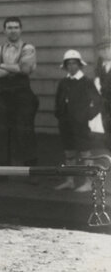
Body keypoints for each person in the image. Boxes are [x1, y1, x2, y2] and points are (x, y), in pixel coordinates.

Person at [0, 17, 38, 171]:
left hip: (22, 95)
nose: (13, 30)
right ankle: (2, 172)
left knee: (25, 132)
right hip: (2, 96)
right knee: (0, 132)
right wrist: (14, 67)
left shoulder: (28, 48)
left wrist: (1, 65)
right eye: (9, 27)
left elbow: (25, 70)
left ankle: (31, 172)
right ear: (4, 31)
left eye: (16, 27)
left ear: (21, 29)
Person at [53, 50, 102, 192]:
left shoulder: (86, 82)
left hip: (81, 124)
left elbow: (98, 102)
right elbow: (58, 101)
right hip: (66, 123)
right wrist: (60, 114)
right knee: (69, 152)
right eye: (68, 63)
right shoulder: (63, 82)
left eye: (74, 63)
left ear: (80, 65)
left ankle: (89, 182)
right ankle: (70, 181)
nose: (71, 66)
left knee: (85, 152)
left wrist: (87, 115)